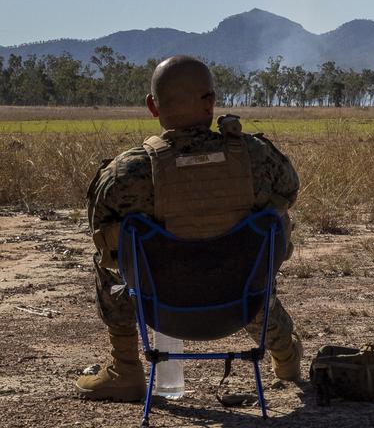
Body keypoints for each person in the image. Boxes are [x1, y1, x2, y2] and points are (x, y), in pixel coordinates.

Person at [76, 56, 302, 401]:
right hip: (240, 302)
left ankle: (125, 368)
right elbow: (289, 189)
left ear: (153, 106)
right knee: (265, 234)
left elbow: (99, 224)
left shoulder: (125, 174)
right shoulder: (258, 158)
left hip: (163, 309)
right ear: (210, 102)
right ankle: (285, 357)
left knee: (109, 251)